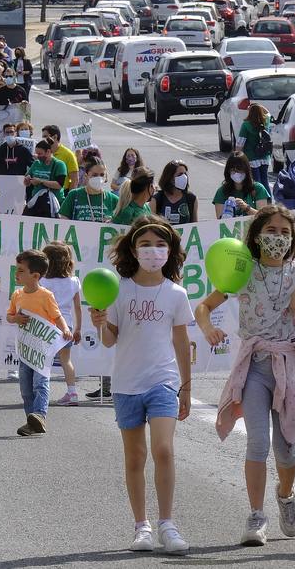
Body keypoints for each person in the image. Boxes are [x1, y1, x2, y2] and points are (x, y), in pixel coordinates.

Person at [197, 205, 295, 546]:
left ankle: (286, 494)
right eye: (271, 231)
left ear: (293, 239)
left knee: (286, 450)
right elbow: (204, 306)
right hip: (254, 367)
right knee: (257, 442)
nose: (278, 238)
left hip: (287, 366)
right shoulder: (244, 271)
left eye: (284, 233)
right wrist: (207, 328)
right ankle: (256, 516)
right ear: (256, 235)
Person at [89, 216, 194, 554]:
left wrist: (186, 387)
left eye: (160, 244)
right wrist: (100, 322)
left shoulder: (176, 294)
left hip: (162, 381)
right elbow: (109, 341)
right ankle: (142, 527)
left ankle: (168, 524)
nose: (153, 251)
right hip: (126, 384)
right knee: (135, 457)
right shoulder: (118, 288)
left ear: (171, 250)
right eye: (145, 244)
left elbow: (181, 342)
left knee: (163, 449)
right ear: (133, 249)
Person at [7, 250, 71, 437]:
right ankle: (31, 420)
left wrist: (65, 329)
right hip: (25, 349)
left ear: (35, 276)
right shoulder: (17, 295)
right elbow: (9, 316)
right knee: (25, 388)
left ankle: (40, 415)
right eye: (16, 270)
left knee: (40, 383)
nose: (16, 274)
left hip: (42, 349)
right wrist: (16, 318)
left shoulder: (46, 295)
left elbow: (57, 315)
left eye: (20, 271)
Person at [42, 242, 83, 406]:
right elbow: (78, 308)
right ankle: (72, 392)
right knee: (66, 360)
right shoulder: (73, 281)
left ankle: (40, 394)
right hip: (67, 326)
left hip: (46, 325)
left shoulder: (43, 281)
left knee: (43, 360)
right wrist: (78, 328)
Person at [214, 152, 271, 218]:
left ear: (246, 170)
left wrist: (247, 208)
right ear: (228, 171)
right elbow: (220, 221)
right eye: (233, 170)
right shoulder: (222, 192)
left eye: (240, 170)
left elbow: (263, 217)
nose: (236, 174)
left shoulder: (258, 189)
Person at [61, 157, 120, 221]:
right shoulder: (74, 195)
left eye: (102, 175)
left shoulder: (112, 199)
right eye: (95, 175)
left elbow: (125, 221)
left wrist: (112, 222)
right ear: (86, 175)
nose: (99, 178)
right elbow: (63, 220)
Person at [236, 105, 274, 189]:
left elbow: (240, 144)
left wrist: (237, 157)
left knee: (256, 181)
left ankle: (259, 199)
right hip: (265, 156)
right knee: (265, 180)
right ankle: (268, 200)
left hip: (252, 157)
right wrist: (258, 105)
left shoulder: (246, 125)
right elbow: (268, 113)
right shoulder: (266, 122)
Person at [152, 160, 198, 225]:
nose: (184, 177)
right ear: (170, 177)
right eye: (180, 174)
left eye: (185, 174)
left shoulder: (191, 198)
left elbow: (195, 225)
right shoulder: (157, 199)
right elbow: (152, 225)